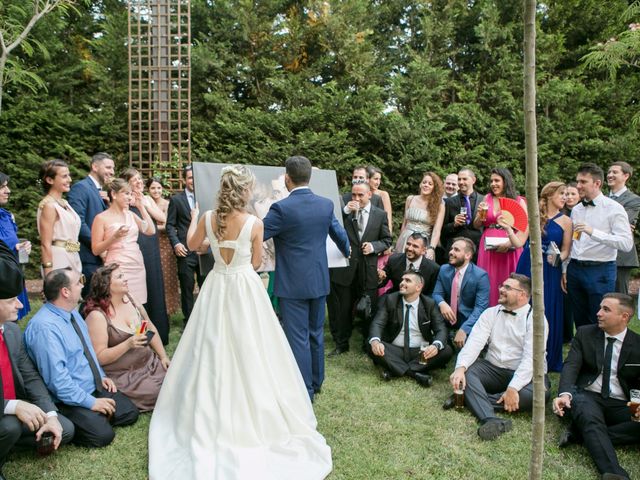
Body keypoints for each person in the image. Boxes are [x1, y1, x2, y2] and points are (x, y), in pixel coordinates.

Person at [149, 164, 333, 480]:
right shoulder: (254, 223)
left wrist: (201, 229)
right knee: (255, 346)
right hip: (245, 287)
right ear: (245, 191)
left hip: (217, 285)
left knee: (211, 346)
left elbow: (193, 247)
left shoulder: (208, 217)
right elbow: (258, 262)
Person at [263, 157, 350, 399]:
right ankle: (317, 381)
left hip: (292, 284)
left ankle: (305, 390)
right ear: (309, 177)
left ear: (287, 178)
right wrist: (347, 250)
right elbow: (338, 233)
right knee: (315, 333)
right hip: (319, 279)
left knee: (298, 337)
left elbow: (258, 233)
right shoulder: (324, 204)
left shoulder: (281, 208)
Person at [24, 268, 139, 448]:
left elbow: (88, 351)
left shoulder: (72, 312)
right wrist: (91, 402)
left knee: (130, 412)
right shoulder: (44, 328)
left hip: (90, 384)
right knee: (103, 436)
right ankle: (83, 419)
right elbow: (57, 381)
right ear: (65, 292)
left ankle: (94, 417)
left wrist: (100, 375)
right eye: (79, 282)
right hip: (66, 398)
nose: (83, 285)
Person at [0, 241, 74, 479]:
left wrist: (50, 416)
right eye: (12, 300)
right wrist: (14, 406)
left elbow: (30, 376)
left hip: (13, 407)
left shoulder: (11, 331)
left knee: (66, 428)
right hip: (4, 411)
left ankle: (13, 442)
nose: (20, 305)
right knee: (9, 427)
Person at [447, 274, 549, 440]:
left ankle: (468, 398)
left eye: (507, 288)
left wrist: (514, 387)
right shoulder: (490, 313)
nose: (501, 289)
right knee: (467, 374)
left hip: (526, 375)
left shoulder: (536, 318)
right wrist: (460, 368)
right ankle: (491, 419)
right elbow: (474, 343)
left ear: (522, 295)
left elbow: (532, 359)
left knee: (538, 395)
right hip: (493, 368)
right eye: (502, 285)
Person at [552, 293, 640, 480]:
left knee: (595, 427)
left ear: (624, 316)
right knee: (589, 416)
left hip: (621, 402)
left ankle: (580, 434)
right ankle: (614, 474)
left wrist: (639, 405)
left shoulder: (638, 344)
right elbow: (571, 366)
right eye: (600, 307)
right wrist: (565, 394)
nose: (598, 313)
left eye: (606, 309)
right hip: (588, 396)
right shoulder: (585, 333)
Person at [84, 264, 169, 412]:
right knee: (162, 392)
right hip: (125, 375)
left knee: (178, 378)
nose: (126, 279)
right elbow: (99, 357)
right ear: (106, 286)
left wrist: (163, 357)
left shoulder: (131, 299)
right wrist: (128, 344)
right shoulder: (97, 316)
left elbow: (150, 328)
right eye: (120, 277)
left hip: (150, 363)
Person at [328, 181, 391, 357]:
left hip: (367, 269)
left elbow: (387, 240)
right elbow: (331, 225)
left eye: (360, 195)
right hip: (346, 268)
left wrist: (373, 246)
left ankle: (367, 344)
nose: (356, 198)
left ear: (370, 194)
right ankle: (341, 344)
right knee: (343, 309)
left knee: (367, 309)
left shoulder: (380, 214)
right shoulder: (345, 212)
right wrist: (345, 211)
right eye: (353, 195)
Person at [567, 163, 633, 327]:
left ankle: (600, 351)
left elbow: (626, 243)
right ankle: (583, 351)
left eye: (583, 182)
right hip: (575, 268)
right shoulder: (576, 210)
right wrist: (565, 268)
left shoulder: (614, 208)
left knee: (601, 319)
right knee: (579, 318)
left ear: (597, 183)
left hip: (600, 270)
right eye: (578, 181)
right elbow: (574, 241)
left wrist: (593, 232)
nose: (578, 186)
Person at [516, 182, 572, 372]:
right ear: (549, 196)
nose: (565, 197)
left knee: (548, 307)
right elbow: (520, 242)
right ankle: (520, 352)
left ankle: (547, 354)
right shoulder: (534, 216)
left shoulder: (566, 221)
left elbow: (566, 251)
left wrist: (557, 258)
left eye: (566, 194)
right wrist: (508, 229)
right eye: (561, 193)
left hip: (550, 268)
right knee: (525, 304)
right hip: (528, 264)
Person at [368, 271, 453, 387]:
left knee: (446, 350)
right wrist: (375, 342)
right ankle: (415, 374)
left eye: (408, 281)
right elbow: (378, 323)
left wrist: (435, 346)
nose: (402, 283)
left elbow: (441, 329)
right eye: (402, 280)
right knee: (371, 344)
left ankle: (395, 369)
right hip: (395, 349)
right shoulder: (391, 299)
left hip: (421, 352)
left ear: (418, 287)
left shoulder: (429, 304)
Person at [122, 168, 170, 345]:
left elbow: (161, 218)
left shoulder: (147, 199)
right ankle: (137, 332)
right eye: (135, 180)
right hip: (135, 245)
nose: (139, 182)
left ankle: (157, 332)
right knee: (137, 291)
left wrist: (144, 203)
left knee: (153, 284)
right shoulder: (125, 199)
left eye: (140, 179)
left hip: (151, 245)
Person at [91, 178, 155, 307]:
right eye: (126, 193)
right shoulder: (101, 218)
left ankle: (137, 327)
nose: (129, 197)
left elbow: (150, 230)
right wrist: (114, 237)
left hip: (136, 265)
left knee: (139, 305)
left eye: (130, 194)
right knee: (119, 304)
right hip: (117, 266)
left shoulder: (130, 214)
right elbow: (96, 249)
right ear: (114, 194)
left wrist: (141, 207)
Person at [474, 167, 528, 306]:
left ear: (506, 181)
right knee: (488, 281)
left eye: (497, 180)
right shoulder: (487, 198)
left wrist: (509, 244)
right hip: (488, 246)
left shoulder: (518, 201)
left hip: (510, 245)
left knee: (510, 281)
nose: (493, 184)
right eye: (491, 181)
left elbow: (524, 228)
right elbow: (476, 225)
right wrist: (480, 215)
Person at [67, 152, 115, 296]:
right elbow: (78, 223)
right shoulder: (80, 188)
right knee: (89, 302)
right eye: (108, 167)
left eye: (113, 168)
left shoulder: (101, 192)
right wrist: (100, 249)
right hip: (88, 257)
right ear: (94, 166)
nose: (112, 172)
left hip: (100, 258)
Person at [432, 237, 490, 349]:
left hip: (468, 318)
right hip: (446, 316)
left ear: (468, 255)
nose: (451, 252)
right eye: (451, 249)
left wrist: (465, 329)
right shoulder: (444, 269)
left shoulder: (480, 276)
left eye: (456, 250)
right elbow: (436, 293)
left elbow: (480, 307)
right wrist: (442, 304)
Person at [166, 165, 206, 325]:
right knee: (187, 288)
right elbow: (170, 225)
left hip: (204, 250)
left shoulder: (206, 197)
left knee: (206, 287)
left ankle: (205, 319)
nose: (192, 181)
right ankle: (189, 322)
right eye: (190, 178)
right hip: (185, 250)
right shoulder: (176, 200)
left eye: (194, 178)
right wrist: (176, 244)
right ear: (184, 179)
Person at [37, 159, 82, 278]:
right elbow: (45, 244)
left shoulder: (64, 203)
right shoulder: (48, 206)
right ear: (50, 180)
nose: (69, 180)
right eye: (64, 176)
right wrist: (49, 276)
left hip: (73, 256)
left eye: (69, 175)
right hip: (59, 259)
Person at [146, 177, 180, 316]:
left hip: (165, 245)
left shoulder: (167, 204)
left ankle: (168, 309)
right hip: (148, 244)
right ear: (148, 189)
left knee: (167, 277)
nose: (156, 191)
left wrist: (151, 227)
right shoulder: (145, 202)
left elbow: (168, 225)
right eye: (153, 188)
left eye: (159, 188)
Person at [395, 171, 445, 261]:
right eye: (424, 182)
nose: (426, 185)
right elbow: (404, 224)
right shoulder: (410, 199)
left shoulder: (439, 206)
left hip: (423, 242)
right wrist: (400, 241)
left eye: (430, 184)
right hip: (405, 240)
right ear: (420, 184)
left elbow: (437, 231)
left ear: (434, 188)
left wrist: (431, 248)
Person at [607, 161, 640, 295]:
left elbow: (621, 225)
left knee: (619, 297)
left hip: (621, 257)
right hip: (600, 254)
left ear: (626, 176)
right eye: (609, 172)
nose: (610, 175)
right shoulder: (600, 198)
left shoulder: (634, 200)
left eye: (615, 172)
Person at [0, 173, 30, 320]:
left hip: (12, 274)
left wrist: (21, 247)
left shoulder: (6, 216)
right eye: (2, 187)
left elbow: (11, 243)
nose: (8, 191)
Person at [440, 168, 484, 261]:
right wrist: (454, 224)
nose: (461, 182)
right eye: (459, 179)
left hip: (477, 252)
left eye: (464, 179)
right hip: (454, 253)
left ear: (473, 180)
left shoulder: (484, 200)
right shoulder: (449, 202)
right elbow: (442, 231)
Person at [561, 181, 580, 343]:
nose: (569, 197)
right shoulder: (562, 214)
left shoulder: (580, 214)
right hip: (562, 258)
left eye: (573, 193)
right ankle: (565, 334)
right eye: (566, 194)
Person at [366, 166, 392, 232]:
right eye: (375, 179)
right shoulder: (362, 194)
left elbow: (388, 218)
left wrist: (388, 235)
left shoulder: (383, 194)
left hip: (378, 231)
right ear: (367, 179)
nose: (378, 182)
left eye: (379, 179)